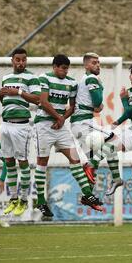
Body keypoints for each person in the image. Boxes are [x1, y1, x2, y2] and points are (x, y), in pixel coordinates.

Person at [34, 54, 103, 214]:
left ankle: (88, 194)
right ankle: (41, 200)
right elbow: (43, 102)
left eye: (67, 69)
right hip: (44, 125)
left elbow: (72, 106)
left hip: (61, 126)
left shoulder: (72, 82)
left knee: (75, 159)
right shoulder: (44, 78)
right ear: (55, 67)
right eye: (62, 68)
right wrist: (59, 117)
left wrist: (62, 118)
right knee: (42, 162)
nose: (65, 71)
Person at [88, 62, 132, 216]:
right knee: (109, 145)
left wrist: (118, 116)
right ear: (130, 76)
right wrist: (123, 99)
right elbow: (130, 113)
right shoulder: (129, 91)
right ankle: (116, 179)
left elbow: (131, 112)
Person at [0, 48, 41, 216]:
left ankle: (24, 200)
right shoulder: (6, 78)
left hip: (21, 125)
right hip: (5, 124)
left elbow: (37, 99)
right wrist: (1, 94)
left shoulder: (32, 77)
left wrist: (18, 91)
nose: (21, 62)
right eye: (18, 59)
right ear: (12, 60)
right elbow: (5, 100)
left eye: (24, 60)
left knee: (22, 163)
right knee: (8, 162)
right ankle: (13, 199)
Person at [70, 52, 119, 189]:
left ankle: (88, 195)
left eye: (98, 63)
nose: (97, 65)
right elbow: (97, 102)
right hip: (84, 123)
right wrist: (100, 98)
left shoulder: (83, 78)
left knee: (100, 153)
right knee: (114, 140)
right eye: (94, 63)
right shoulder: (91, 78)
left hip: (79, 124)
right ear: (85, 65)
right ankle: (112, 176)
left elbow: (93, 106)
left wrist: (97, 107)